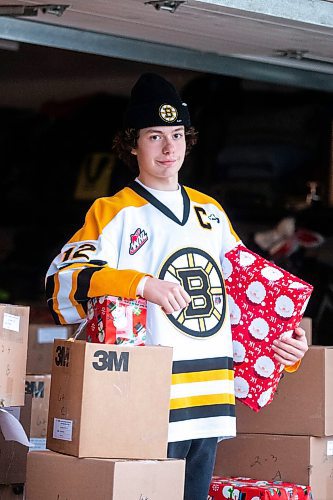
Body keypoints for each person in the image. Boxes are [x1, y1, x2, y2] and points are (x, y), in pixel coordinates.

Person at [45, 73, 308, 500]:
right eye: (154, 136)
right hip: (149, 401)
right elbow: (63, 282)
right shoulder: (114, 212)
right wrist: (141, 284)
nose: (169, 148)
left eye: (177, 134)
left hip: (209, 400)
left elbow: (248, 300)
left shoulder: (212, 212)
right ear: (132, 144)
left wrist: (286, 347)